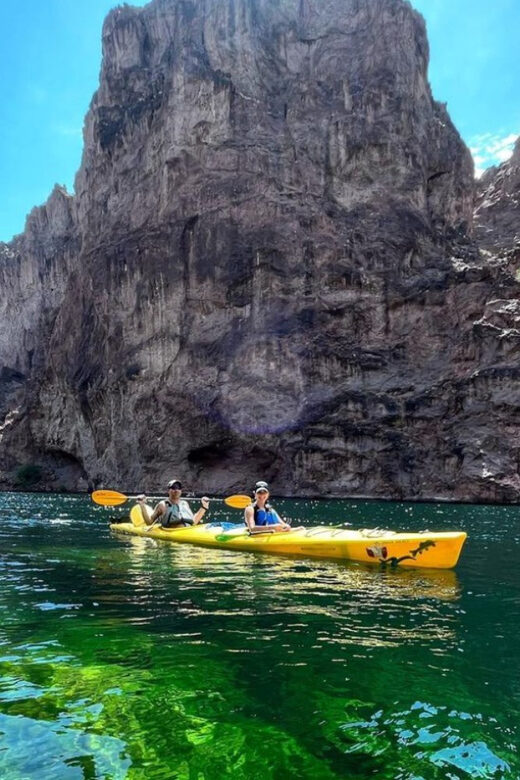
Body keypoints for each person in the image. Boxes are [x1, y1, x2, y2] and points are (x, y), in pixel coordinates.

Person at [137, 479, 209, 529]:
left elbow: (193, 522)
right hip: (171, 532)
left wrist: (204, 507)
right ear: (168, 491)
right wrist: (142, 505)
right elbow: (149, 523)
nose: (176, 490)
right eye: (173, 487)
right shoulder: (162, 505)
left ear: (181, 491)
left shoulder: (185, 504)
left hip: (187, 531)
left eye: (179, 488)